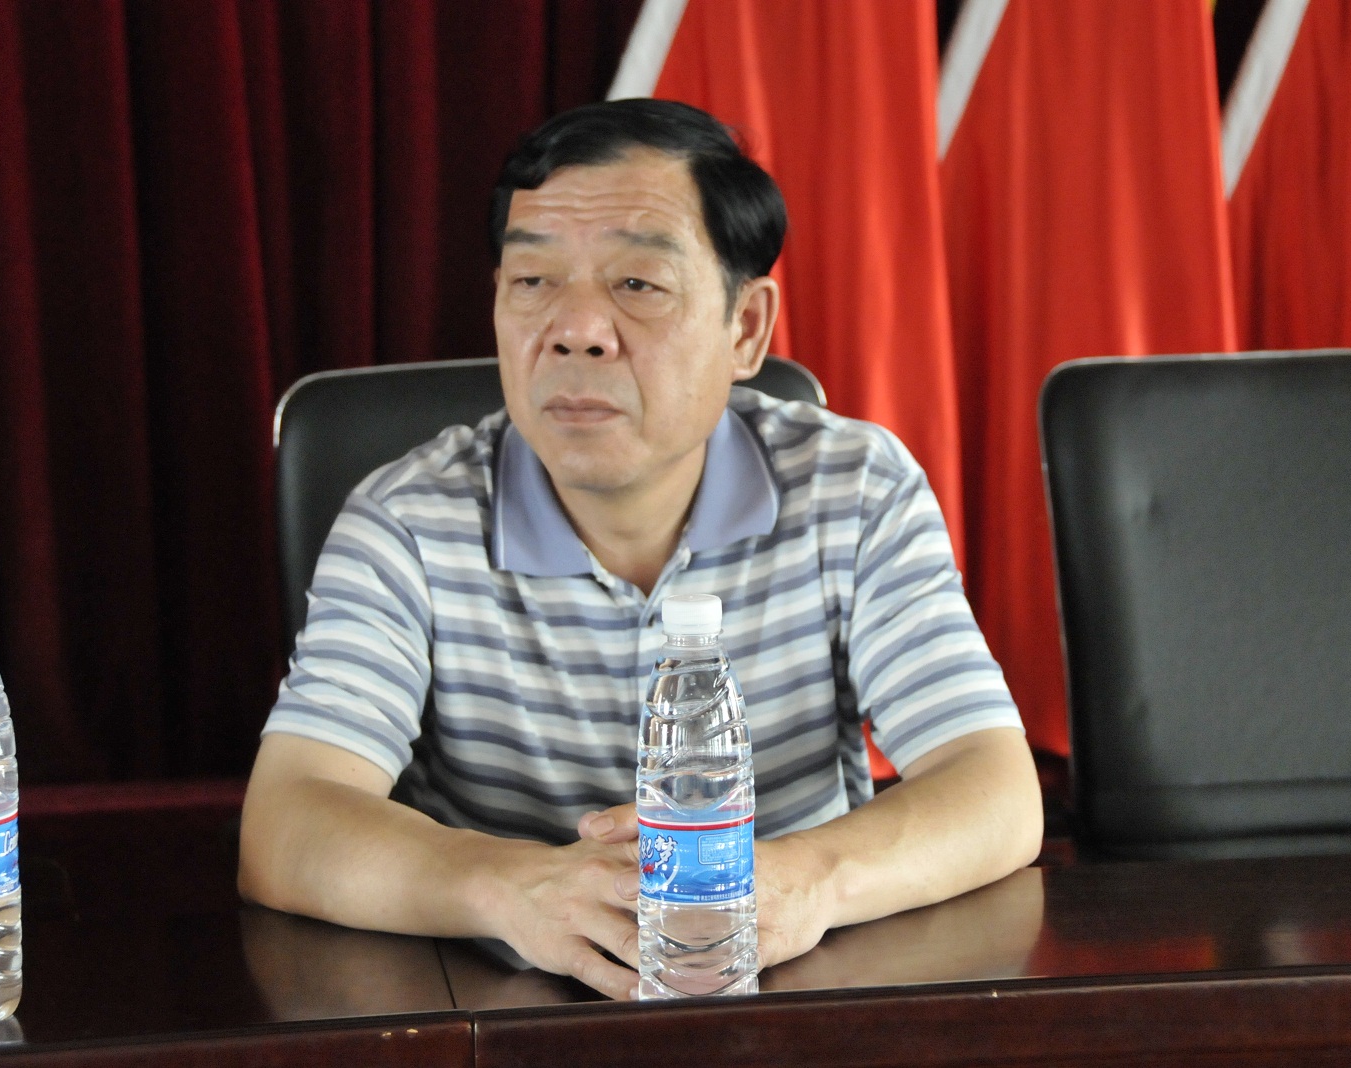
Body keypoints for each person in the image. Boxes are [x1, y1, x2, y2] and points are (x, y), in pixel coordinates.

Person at [238, 99, 1043, 1001]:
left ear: (746, 329)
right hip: (507, 1009)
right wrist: (512, 887)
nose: (576, 329)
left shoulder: (854, 492)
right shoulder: (407, 523)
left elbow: (994, 791)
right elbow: (289, 822)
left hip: (787, 991)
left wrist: (801, 881)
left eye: (637, 283)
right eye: (532, 280)